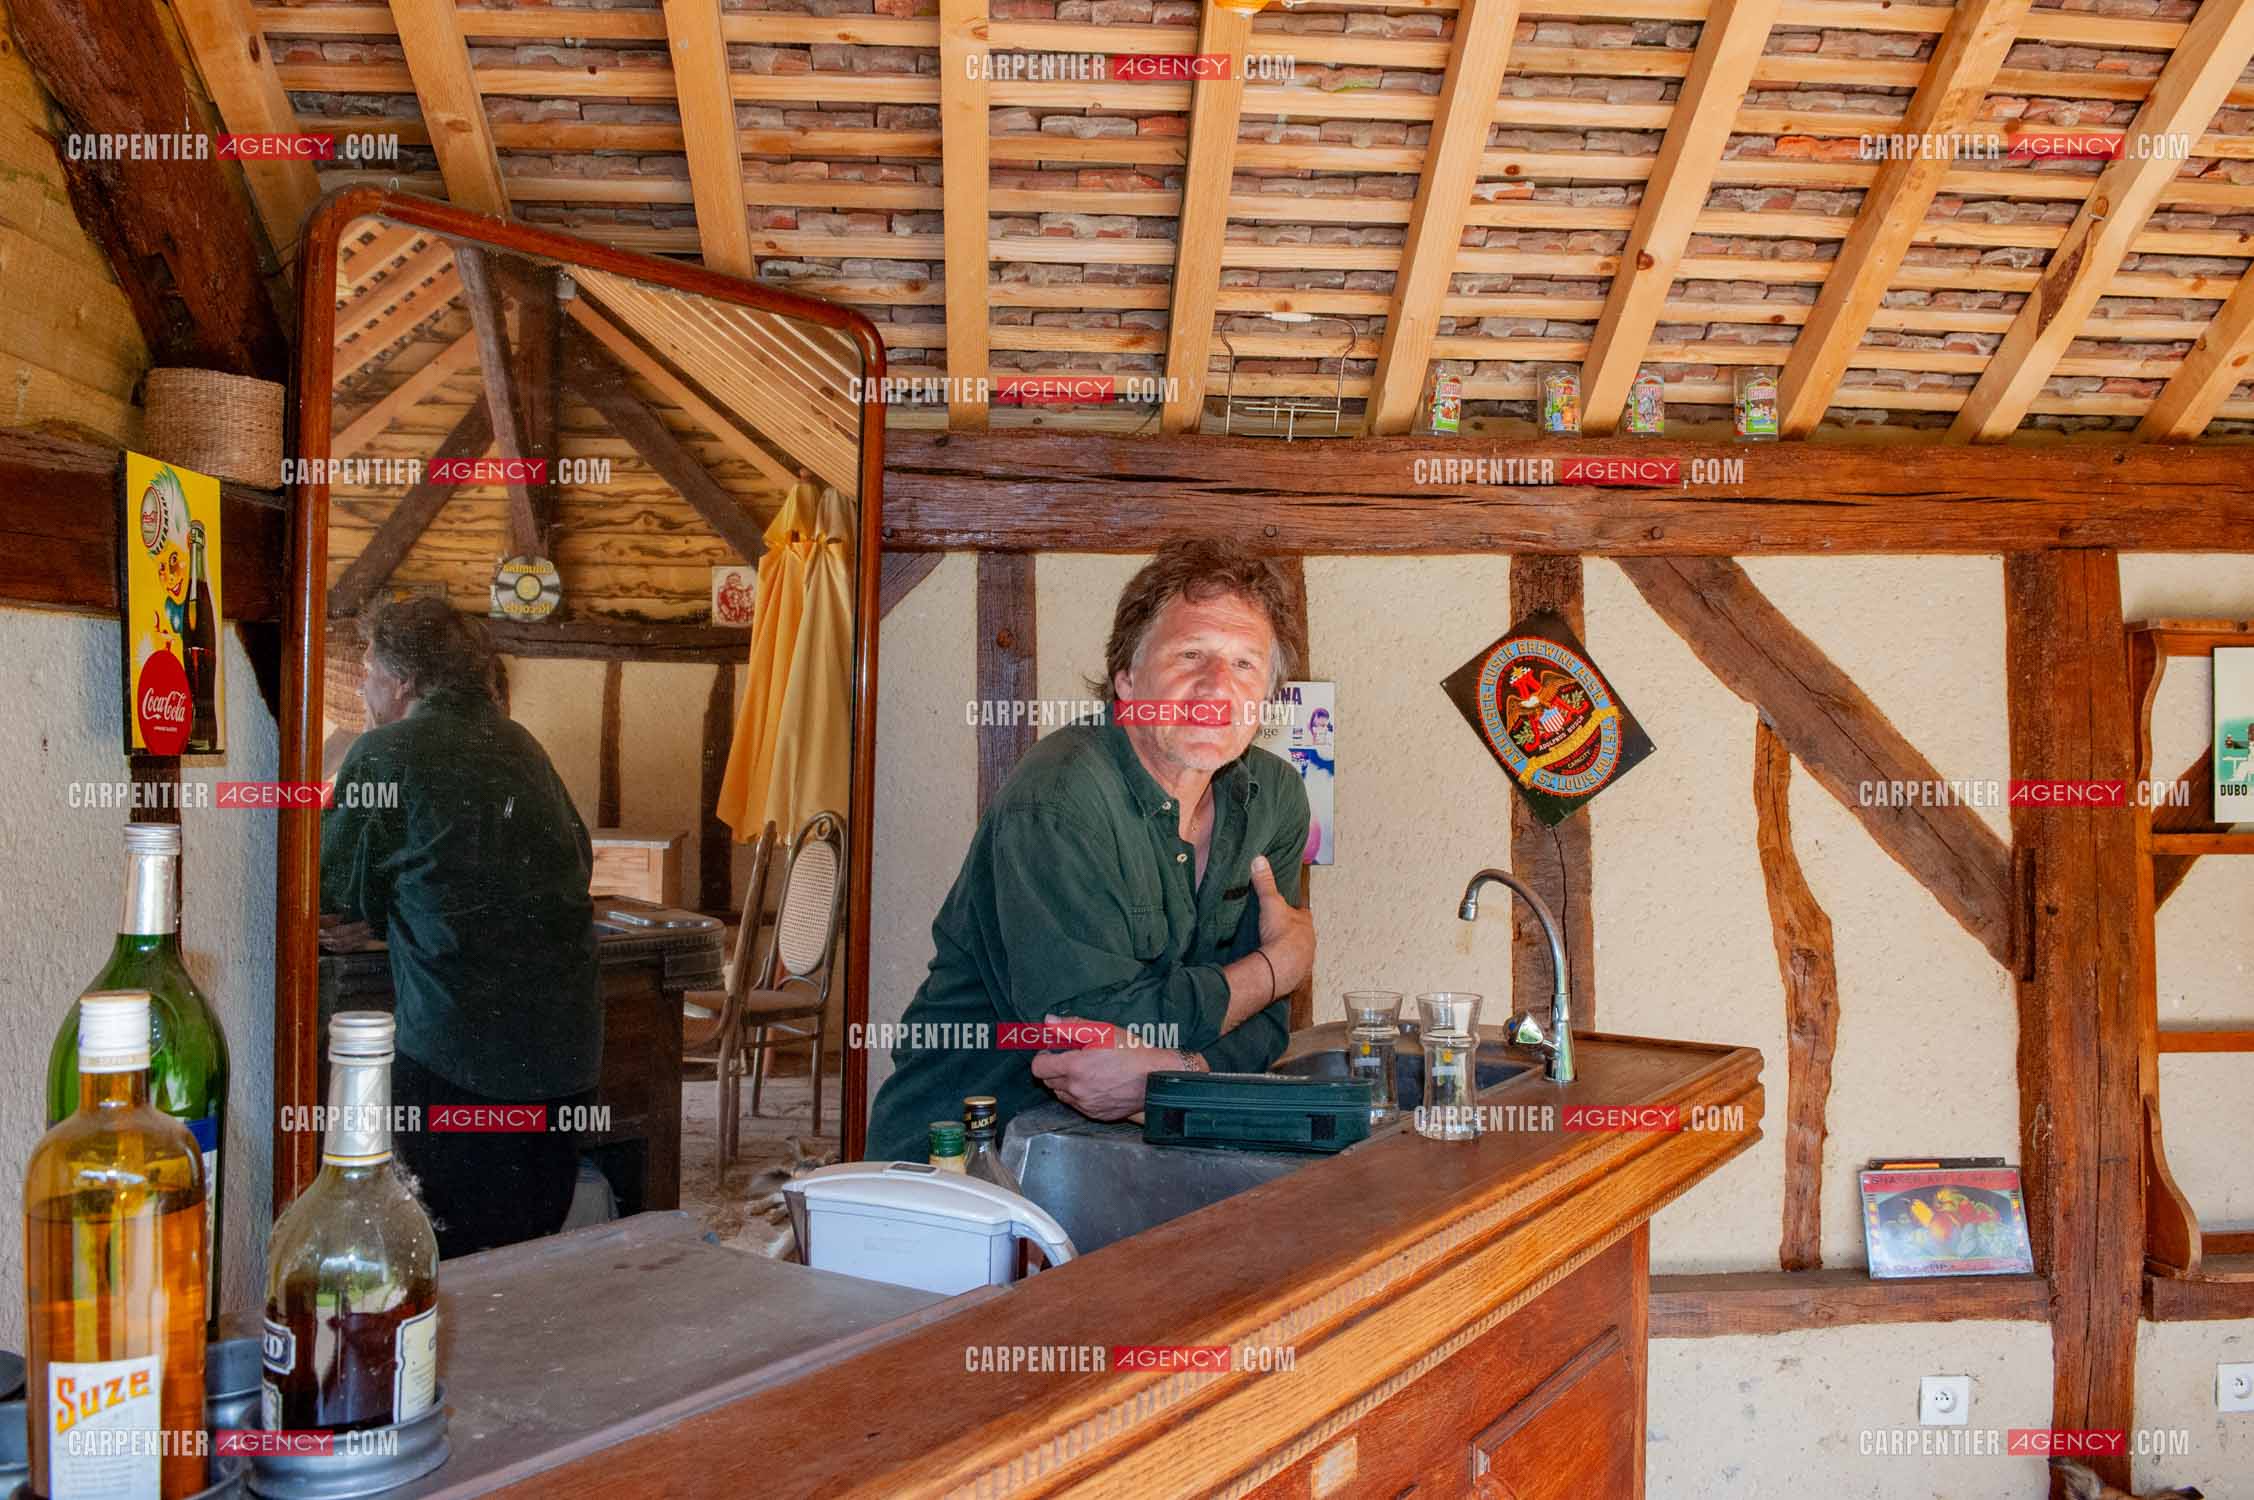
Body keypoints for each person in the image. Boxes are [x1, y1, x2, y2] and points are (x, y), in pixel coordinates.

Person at [867, 538, 1317, 1161]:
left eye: (1245, 665)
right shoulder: (1058, 795)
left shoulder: (1275, 798)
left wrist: (1179, 1071)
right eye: (1191, 654)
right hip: (968, 1159)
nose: (1218, 688)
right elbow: (1082, 1033)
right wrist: (1277, 969)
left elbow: (1263, 1024)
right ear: (1127, 681)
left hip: (1137, 1151)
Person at [320, 597, 600, 1256]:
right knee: (528, 1254)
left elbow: (331, 896)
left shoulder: (382, 751)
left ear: (404, 681)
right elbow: (576, 862)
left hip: (459, 1058)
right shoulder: (521, 742)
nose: (360, 684)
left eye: (367, 668)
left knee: (448, 1256)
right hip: (565, 1059)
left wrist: (372, 914)